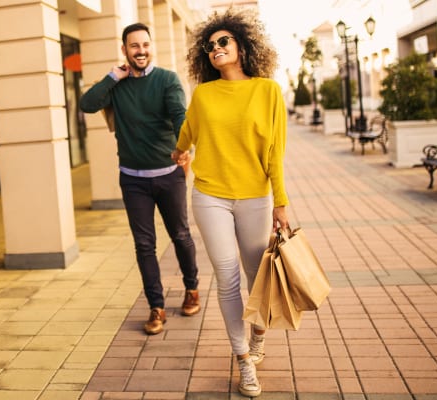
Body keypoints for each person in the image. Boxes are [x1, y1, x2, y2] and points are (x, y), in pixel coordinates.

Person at [171, 8, 290, 397]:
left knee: (258, 278)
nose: (216, 48)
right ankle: (242, 360)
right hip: (210, 196)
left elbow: (276, 153)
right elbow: (188, 132)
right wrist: (179, 151)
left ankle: (258, 337)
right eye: (210, 46)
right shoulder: (203, 94)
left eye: (223, 42)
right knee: (227, 276)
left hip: (256, 196)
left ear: (242, 46)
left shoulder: (268, 90)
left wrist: (281, 202)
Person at [80, 22, 200, 335]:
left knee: (181, 235)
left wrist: (183, 145)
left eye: (145, 45)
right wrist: (111, 76)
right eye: (134, 46)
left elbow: (178, 115)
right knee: (144, 245)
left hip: (168, 176)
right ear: (125, 50)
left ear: (151, 46)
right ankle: (156, 307)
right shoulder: (116, 85)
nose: (141, 51)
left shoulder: (166, 79)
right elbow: (86, 104)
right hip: (132, 180)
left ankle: (192, 287)